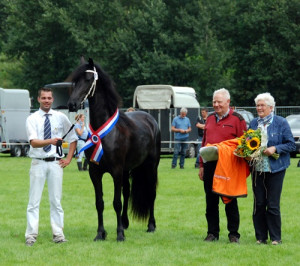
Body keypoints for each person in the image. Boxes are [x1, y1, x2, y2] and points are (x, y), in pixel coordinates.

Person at [25, 87, 77, 246]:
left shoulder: (60, 117)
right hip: (38, 163)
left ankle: (58, 234)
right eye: (44, 98)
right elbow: (33, 142)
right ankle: (31, 235)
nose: (47, 100)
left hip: (55, 163)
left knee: (56, 201)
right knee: (34, 202)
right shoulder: (32, 119)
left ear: (53, 100)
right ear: (39, 99)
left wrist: (68, 158)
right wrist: (51, 141)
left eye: (49, 98)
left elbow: (73, 137)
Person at [198, 88, 247, 243]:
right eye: (214, 102)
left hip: (229, 167)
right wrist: (201, 165)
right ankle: (212, 233)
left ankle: (233, 234)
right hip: (210, 165)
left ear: (228, 102)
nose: (216, 104)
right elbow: (204, 142)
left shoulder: (238, 119)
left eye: (219, 101)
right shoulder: (210, 118)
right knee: (210, 201)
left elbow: (244, 144)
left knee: (230, 200)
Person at [249, 92, 295, 245]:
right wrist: (248, 154)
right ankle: (260, 237)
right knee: (259, 203)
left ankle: (276, 238)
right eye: (258, 105)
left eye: (262, 105)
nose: (259, 108)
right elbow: (248, 143)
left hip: (276, 168)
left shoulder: (281, 122)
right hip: (257, 169)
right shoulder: (254, 123)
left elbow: (291, 144)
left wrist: (275, 148)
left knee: (273, 203)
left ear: (271, 107)